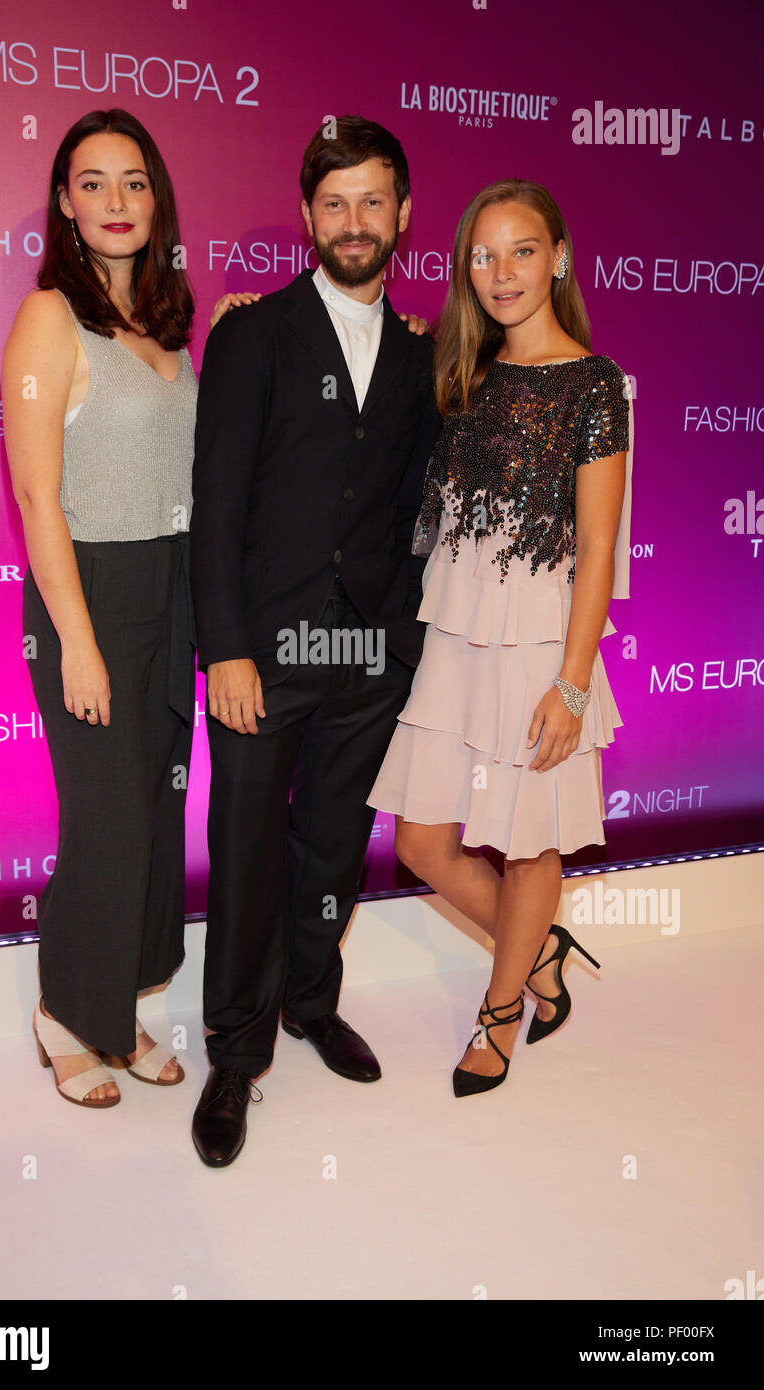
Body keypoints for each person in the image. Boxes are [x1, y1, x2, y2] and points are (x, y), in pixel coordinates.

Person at [189, 115, 442, 1165]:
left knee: (332, 848)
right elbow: (214, 505)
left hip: (367, 659)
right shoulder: (252, 334)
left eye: (371, 201)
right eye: (333, 203)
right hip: (266, 654)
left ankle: (308, 1000)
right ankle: (235, 1055)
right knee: (247, 856)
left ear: (402, 215)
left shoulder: (427, 353)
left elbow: (414, 508)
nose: (353, 221)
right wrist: (227, 649)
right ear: (306, 217)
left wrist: (402, 639)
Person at [368, 178, 633, 1096]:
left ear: (558, 257)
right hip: (454, 634)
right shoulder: (458, 366)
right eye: (483, 254)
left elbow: (598, 547)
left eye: (522, 250)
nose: (502, 271)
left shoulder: (595, 385)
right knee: (422, 842)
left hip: (537, 648)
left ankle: (500, 1009)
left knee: (529, 844)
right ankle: (540, 948)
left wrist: (571, 684)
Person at [3, 108, 211, 1108]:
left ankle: (119, 1003)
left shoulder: (169, 323)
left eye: (134, 182)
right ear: (64, 201)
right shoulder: (50, 316)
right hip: (88, 592)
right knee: (107, 818)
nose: (117, 202)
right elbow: (40, 496)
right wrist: (76, 642)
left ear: (156, 198)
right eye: (93, 182)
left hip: (170, 593)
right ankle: (63, 1015)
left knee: (156, 812)